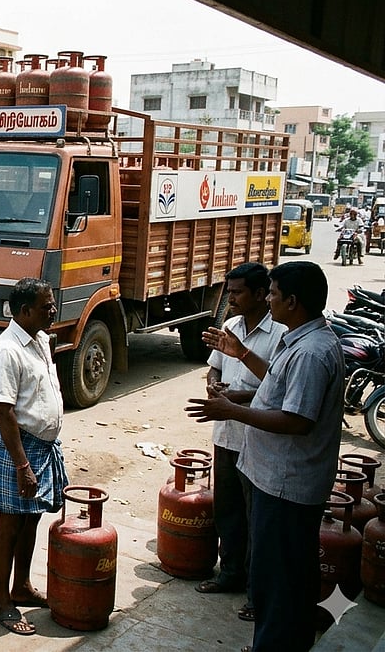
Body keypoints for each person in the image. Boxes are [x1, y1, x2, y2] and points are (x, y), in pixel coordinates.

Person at [186, 261, 343, 652]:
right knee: (285, 575)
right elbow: (277, 390)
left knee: (279, 580)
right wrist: (237, 384)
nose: (269, 300)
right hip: (278, 479)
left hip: (286, 484)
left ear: (292, 301)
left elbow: (297, 419)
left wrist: (233, 411)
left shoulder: (310, 353)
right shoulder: (301, 341)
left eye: (273, 293)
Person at [194, 263, 285, 622]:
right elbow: (214, 366)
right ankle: (230, 573)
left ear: (261, 294)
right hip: (226, 434)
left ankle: (255, 591)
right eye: (229, 291)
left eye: (237, 292)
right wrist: (214, 386)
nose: (230, 298)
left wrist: (236, 399)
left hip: (257, 437)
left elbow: (277, 388)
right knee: (228, 510)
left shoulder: (280, 333)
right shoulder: (230, 326)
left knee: (256, 518)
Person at [0, 279, 69, 634]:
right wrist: (23, 466)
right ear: (24, 311)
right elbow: (4, 412)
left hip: (42, 447)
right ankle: (2, 602)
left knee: (31, 519)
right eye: (46, 306)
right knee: (11, 524)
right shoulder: (6, 351)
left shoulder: (41, 340)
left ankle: (21, 585)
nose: (53, 311)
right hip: (18, 448)